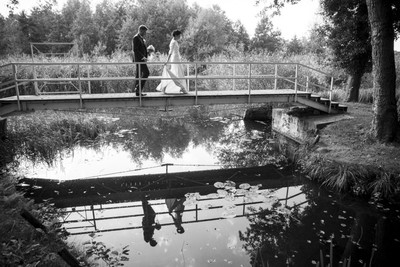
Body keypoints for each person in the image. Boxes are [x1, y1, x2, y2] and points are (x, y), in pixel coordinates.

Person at [156, 30, 188, 94]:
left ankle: (179, 88)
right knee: (176, 74)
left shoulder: (175, 42)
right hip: (175, 60)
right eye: (179, 36)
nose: (180, 37)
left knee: (177, 74)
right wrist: (167, 61)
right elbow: (170, 52)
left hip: (177, 59)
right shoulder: (173, 42)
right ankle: (181, 88)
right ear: (175, 35)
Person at [132, 25, 150, 96]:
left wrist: (147, 55)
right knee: (146, 73)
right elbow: (135, 50)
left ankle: (138, 92)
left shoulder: (141, 38)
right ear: (141, 30)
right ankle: (138, 89)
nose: (145, 33)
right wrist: (143, 57)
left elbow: (142, 49)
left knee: (138, 75)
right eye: (144, 31)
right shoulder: (136, 38)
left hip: (142, 59)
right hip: (139, 60)